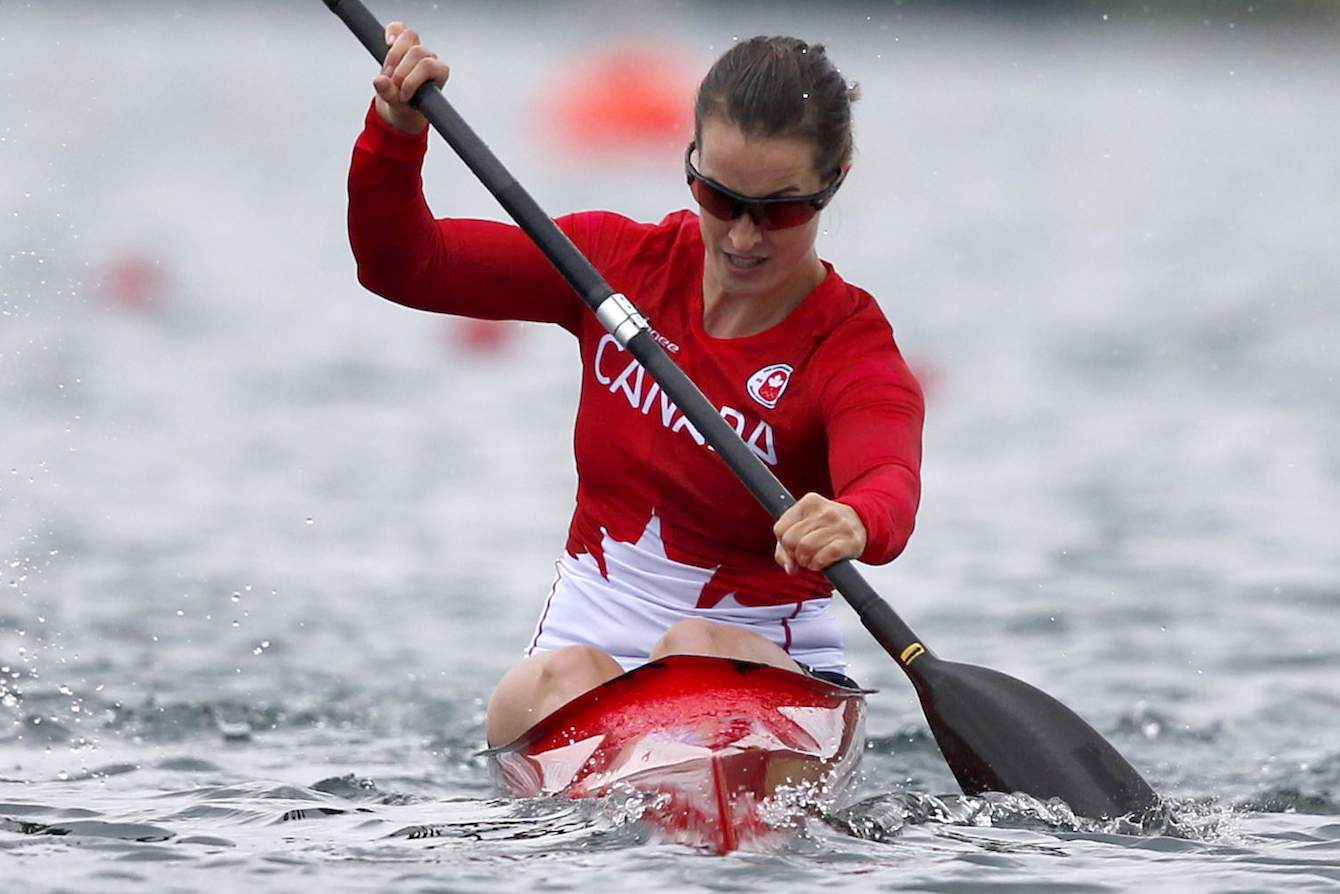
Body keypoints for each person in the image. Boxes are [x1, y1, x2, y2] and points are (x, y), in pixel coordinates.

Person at [347, 23, 924, 748]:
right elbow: (402, 263)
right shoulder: (613, 267)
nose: (743, 238)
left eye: (778, 210)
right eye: (719, 198)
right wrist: (396, 132)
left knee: (700, 652)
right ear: (690, 161)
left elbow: (888, 474)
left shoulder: (847, 344)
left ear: (833, 179)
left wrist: (857, 520)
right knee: (563, 682)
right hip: (585, 656)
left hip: (760, 661)